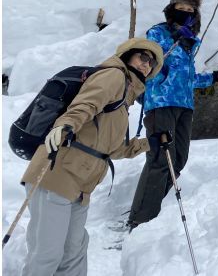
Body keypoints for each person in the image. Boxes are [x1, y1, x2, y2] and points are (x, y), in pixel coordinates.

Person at [21, 38, 165, 276]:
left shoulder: (124, 99)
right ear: (128, 55)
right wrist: (65, 125)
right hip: (56, 172)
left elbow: (113, 149)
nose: (146, 64)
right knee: (47, 254)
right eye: (143, 57)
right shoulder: (113, 76)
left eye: (152, 63)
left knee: (74, 252)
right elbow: (85, 104)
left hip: (81, 185)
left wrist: (150, 143)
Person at [128, 0, 218, 229]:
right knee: (160, 159)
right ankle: (140, 219)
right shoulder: (157, 33)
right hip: (160, 103)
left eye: (190, 10)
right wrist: (175, 37)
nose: (185, 13)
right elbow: (152, 63)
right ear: (171, 9)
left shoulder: (189, 43)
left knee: (178, 160)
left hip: (184, 105)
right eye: (181, 8)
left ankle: (151, 207)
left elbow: (186, 78)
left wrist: (216, 77)